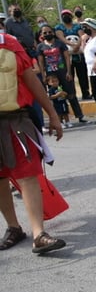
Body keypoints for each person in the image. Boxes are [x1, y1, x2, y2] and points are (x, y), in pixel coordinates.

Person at [0, 31, 66, 254]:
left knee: (27, 174)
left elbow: (32, 81)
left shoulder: (10, 44)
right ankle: (14, 227)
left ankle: (39, 233)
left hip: (16, 118)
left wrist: (53, 115)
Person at [35, 25, 85, 123]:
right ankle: (60, 119)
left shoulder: (60, 43)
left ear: (53, 33)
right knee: (56, 96)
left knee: (71, 94)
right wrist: (44, 75)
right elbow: (41, 62)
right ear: (41, 35)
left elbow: (67, 57)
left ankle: (79, 116)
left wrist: (69, 72)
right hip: (51, 75)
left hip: (63, 72)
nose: (47, 34)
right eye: (45, 33)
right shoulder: (40, 47)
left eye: (49, 32)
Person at [55, 9, 91, 102]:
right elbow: (61, 38)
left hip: (78, 54)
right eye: (64, 15)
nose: (66, 16)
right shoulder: (59, 27)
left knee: (82, 74)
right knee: (69, 74)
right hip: (67, 55)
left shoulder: (77, 26)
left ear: (71, 16)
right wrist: (71, 45)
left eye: (68, 15)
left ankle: (85, 93)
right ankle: (71, 94)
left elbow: (81, 36)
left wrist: (77, 46)